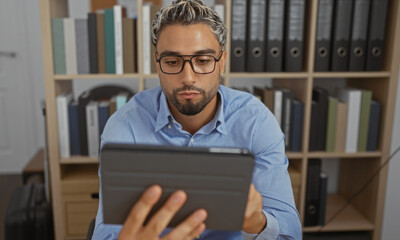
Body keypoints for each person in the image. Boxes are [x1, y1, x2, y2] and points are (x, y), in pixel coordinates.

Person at [92, 0, 302, 239]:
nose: (188, 77)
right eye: (172, 62)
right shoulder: (124, 126)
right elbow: (105, 233)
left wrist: (256, 222)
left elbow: (290, 234)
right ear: (158, 64)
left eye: (203, 61)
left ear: (221, 62)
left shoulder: (256, 122)